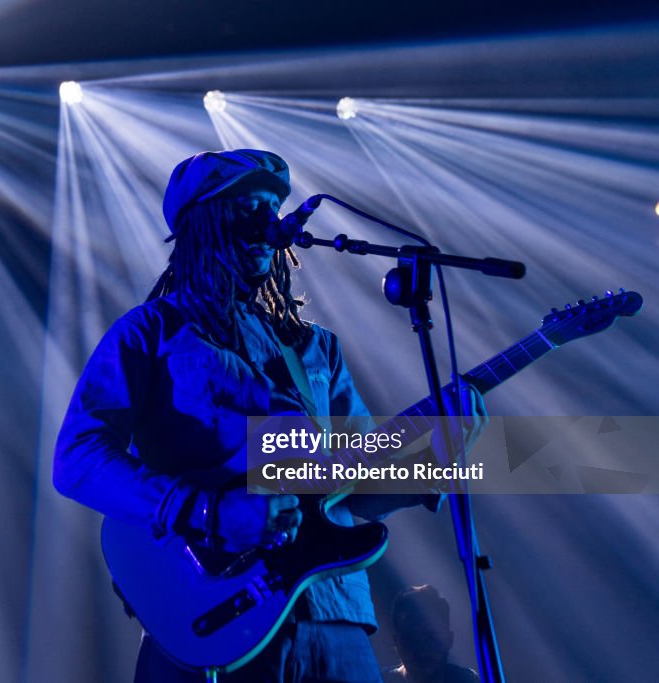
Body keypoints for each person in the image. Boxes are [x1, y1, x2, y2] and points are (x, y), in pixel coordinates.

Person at [54, 149, 486, 682]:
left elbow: (356, 486)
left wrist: (434, 458)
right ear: (203, 225)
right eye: (246, 207)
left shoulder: (315, 348)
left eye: (271, 206)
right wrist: (207, 512)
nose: (268, 221)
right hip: (210, 613)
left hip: (334, 614)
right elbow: (77, 458)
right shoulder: (153, 331)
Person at [382, 585, 479, 683]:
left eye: (430, 638)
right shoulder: (378, 680)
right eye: (410, 639)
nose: (421, 649)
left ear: (449, 639)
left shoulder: (467, 680)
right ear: (396, 642)